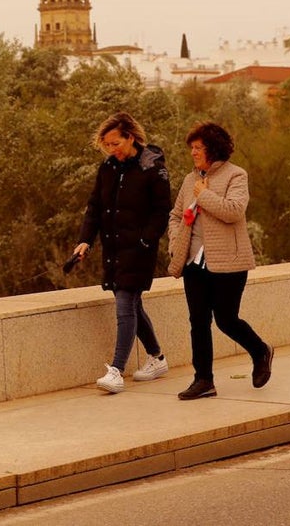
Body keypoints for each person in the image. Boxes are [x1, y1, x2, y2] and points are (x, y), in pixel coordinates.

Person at [167, 121, 273, 400]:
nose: (193, 153)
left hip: (229, 262)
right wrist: (175, 241)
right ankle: (203, 380)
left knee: (226, 319)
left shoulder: (236, 175)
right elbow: (176, 215)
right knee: (198, 321)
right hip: (193, 262)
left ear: (213, 149)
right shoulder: (190, 180)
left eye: (198, 148)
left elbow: (234, 211)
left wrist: (205, 195)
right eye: (191, 148)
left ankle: (260, 350)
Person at [72, 112, 172, 394]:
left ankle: (116, 370)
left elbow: (162, 211)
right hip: (114, 247)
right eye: (107, 145)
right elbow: (94, 207)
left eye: (115, 143)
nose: (111, 149)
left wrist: (146, 240)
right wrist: (85, 241)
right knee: (132, 305)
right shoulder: (107, 168)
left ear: (130, 137)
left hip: (139, 249)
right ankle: (157, 358)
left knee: (125, 304)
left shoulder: (153, 168)